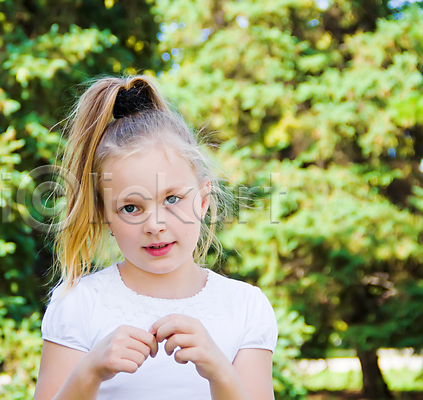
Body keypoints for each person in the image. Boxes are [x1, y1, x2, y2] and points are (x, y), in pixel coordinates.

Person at [33, 75, 278, 400]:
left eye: (172, 199)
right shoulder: (79, 304)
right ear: (105, 216)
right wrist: (89, 371)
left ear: (203, 201)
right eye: (131, 207)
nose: (155, 224)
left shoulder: (246, 307)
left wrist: (220, 371)